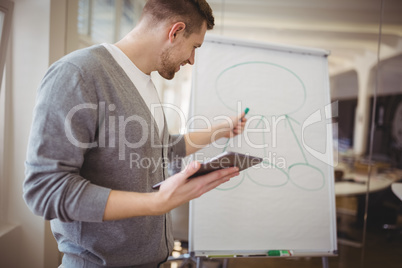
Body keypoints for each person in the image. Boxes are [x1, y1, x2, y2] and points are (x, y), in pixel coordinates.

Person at [23, 0, 246, 267]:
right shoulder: (78, 74)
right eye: (194, 47)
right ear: (174, 32)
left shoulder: (145, 82)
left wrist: (220, 131)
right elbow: (44, 190)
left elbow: (161, 148)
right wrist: (155, 203)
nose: (191, 60)